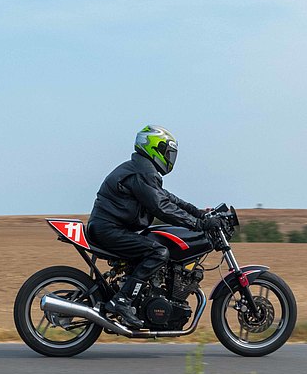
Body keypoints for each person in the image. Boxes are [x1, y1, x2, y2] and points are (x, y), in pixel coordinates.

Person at [87, 125, 222, 328]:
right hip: (110, 230)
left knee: (156, 247)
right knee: (159, 252)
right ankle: (122, 301)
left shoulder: (142, 169)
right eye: (168, 152)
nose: (170, 158)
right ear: (154, 148)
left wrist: (199, 213)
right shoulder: (142, 172)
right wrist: (198, 224)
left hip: (111, 228)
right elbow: (162, 207)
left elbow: (170, 199)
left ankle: (132, 296)